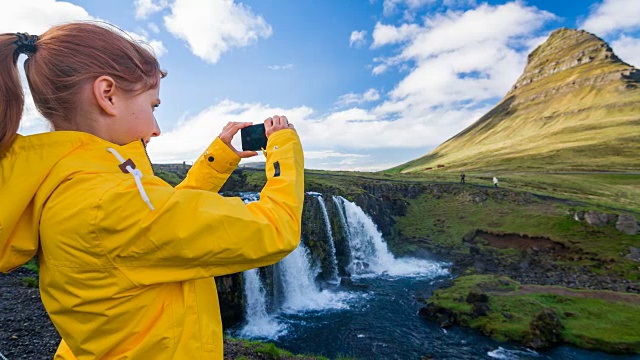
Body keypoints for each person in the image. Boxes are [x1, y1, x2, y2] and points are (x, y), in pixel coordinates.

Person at [0, 22, 304, 359]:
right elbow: (277, 228)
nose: (157, 129)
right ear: (108, 95)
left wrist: (218, 160)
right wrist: (284, 147)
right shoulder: (109, 203)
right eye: (153, 106)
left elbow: (164, 220)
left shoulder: (72, 185)